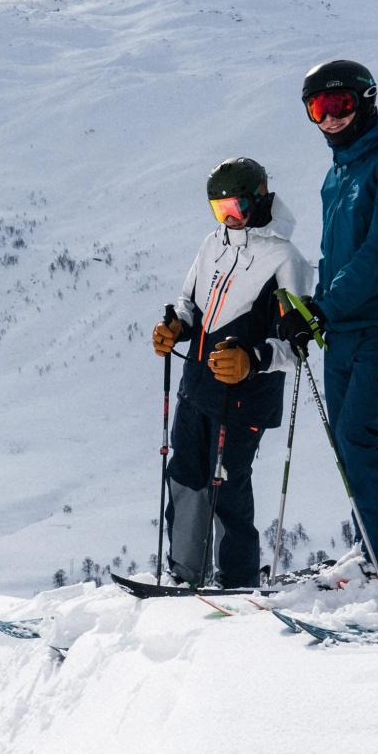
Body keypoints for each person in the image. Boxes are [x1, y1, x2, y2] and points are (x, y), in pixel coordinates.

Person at [278, 60, 378, 575]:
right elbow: (335, 256)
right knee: (348, 444)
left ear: (366, 100)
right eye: (317, 109)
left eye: (339, 104)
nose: (330, 118)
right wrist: (313, 313)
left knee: (360, 437)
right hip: (343, 326)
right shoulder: (338, 173)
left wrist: (325, 307)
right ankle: (373, 550)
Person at [150, 158, 313, 587]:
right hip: (196, 388)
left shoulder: (285, 259)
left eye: (236, 207)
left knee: (226, 486)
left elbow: (297, 347)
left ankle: (237, 580)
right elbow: (189, 304)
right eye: (218, 209)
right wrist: (176, 327)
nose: (229, 218)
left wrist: (254, 359)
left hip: (244, 399)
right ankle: (185, 574)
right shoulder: (212, 245)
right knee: (185, 476)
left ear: (259, 198)